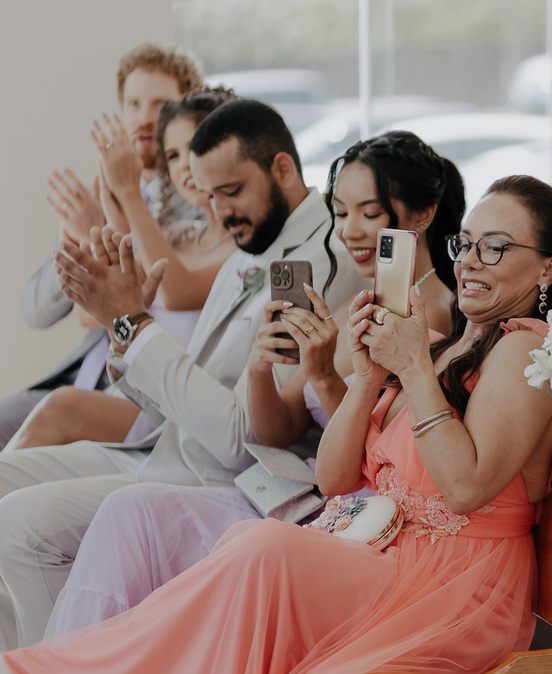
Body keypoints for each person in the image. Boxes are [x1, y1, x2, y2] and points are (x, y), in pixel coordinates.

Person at [3, 175, 552, 673]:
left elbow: (466, 488)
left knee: (265, 551)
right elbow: (335, 480)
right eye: (467, 243)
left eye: (497, 247)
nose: (471, 261)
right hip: (381, 548)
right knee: (251, 549)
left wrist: (411, 368)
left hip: (456, 582)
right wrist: (366, 378)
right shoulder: (446, 346)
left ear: (548, 266)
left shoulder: (526, 352)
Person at [43, 130, 466, 637]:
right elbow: (276, 430)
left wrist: (328, 378)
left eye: (369, 214)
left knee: (137, 516)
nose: (349, 231)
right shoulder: (366, 301)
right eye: (340, 210)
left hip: (349, 511)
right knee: (126, 510)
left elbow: (386, 459)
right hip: (283, 481)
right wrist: (260, 369)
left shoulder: (438, 316)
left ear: (423, 214)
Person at [0, 99, 364, 649]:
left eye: (231, 191)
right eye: (209, 195)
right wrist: (119, 330)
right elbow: (165, 399)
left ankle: (56, 660)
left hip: (213, 481)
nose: (219, 214)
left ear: (283, 169)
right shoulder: (251, 245)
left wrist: (134, 323)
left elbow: (239, 439)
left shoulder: (322, 264)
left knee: (18, 526)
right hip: (157, 451)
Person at [6, 86, 240, 451]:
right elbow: (106, 294)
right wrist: (103, 207)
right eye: (172, 155)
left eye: (193, 148)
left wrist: (129, 191)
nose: (184, 166)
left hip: (172, 407)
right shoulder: (178, 236)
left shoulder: (241, 249)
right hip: (128, 386)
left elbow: (175, 291)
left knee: (61, 406)